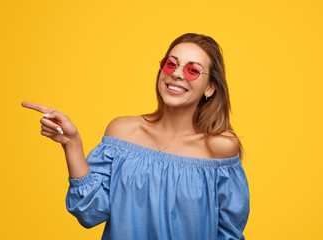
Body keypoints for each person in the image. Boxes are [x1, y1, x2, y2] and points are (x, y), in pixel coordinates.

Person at [21, 33, 250, 240]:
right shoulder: (122, 132)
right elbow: (89, 213)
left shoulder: (220, 147)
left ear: (209, 88)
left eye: (192, 70)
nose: (177, 74)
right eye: (171, 64)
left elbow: (229, 233)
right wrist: (72, 144)